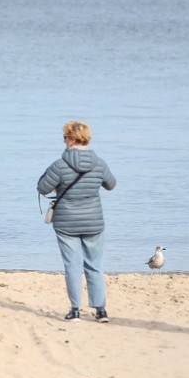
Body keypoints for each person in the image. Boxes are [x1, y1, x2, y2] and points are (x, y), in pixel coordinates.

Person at [37, 121, 116, 323]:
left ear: (72, 139)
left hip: (66, 223)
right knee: (95, 265)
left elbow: (42, 187)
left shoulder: (60, 165)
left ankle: (75, 311)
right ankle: (101, 310)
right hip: (93, 221)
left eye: (65, 137)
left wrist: (59, 187)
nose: (64, 141)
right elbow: (111, 184)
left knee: (72, 265)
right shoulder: (99, 163)